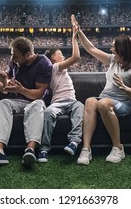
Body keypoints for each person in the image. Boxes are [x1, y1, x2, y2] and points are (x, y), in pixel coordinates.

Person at [75, 22, 131, 165]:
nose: (110, 48)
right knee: (90, 101)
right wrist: (79, 32)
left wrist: (124, 87)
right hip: (105, 98)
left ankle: (118, 147)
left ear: (121, 49)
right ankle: (86, 149)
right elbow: (91, 48)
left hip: (122, 104)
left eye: (113, 46)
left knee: (103, 103)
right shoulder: (113, 61)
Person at [0, 37, 52, 168]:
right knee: (1, 104)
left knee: (37, 106)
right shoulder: (14, 61)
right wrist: (5, 79)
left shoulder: (43, 63)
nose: (13, 58)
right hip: (16, 99)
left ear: (28, 54)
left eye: (16, 55)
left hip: (34, 100)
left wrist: (21, 89)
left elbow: (38, 94)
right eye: (12, 54)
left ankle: (30, 149)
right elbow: (7, 87)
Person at [38, 14, 84, 163]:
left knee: (80, 108)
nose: (63, 56)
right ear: (53, 58)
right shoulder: (55, 67)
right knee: (48, 113)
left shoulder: (58, 69)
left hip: (72, 101)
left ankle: (74, 142)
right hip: (58, 102)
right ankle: (44, 148)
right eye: (60, 54)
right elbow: (76, 57)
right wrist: (74, 37)